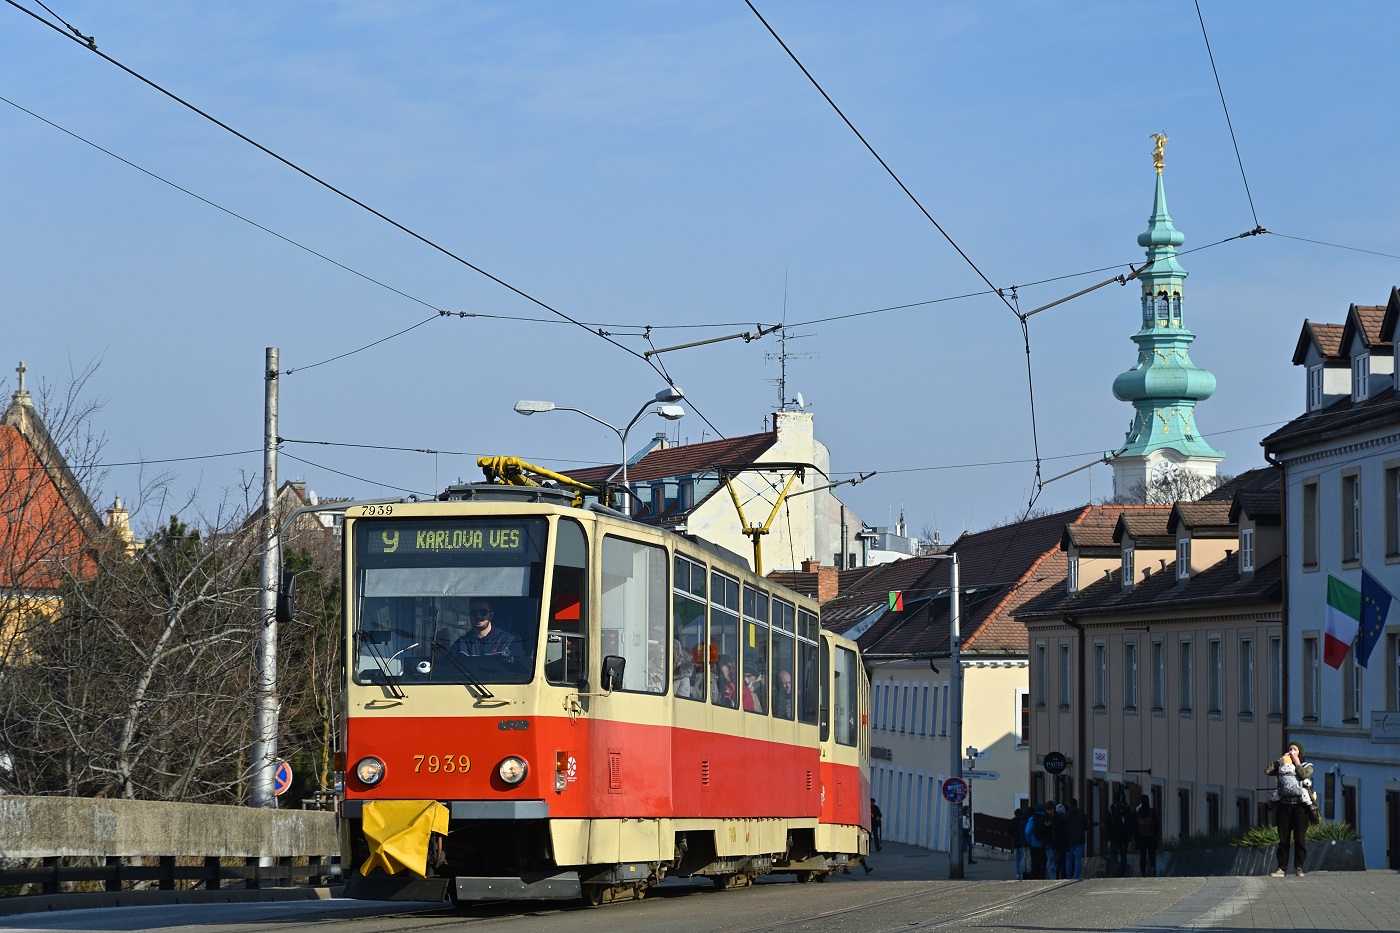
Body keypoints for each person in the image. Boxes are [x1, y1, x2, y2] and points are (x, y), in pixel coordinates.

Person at [1266, 741, 1314, 877]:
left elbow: (1305, 775)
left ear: (1300, 752)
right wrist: (1280, 760)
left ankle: (1299, 867)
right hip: (1284, 807)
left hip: (1300, 808)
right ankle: (1281, 868)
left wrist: (1297, 762)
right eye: (1290, 749)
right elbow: (1268, 771)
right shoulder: (1282, 766)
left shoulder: (1307, 766)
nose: (1292, 752)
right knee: (1283, 839)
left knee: (1300, 839)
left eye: (1295, 749)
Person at [450, 600, 522, 657]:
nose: (478, 616)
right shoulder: (460, 644)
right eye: (474, 612)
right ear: (470, 615)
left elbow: (520, 672)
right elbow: (448, 670)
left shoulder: (509, 642)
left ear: (491, 615)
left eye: (483, 612)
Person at [1107, 789, 1134, 878]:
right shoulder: (1127, 807)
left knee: (1113, 852)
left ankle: (1116, 864)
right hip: (1125, 835)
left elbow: (1108, 822)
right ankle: (1123, 873)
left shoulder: (1112, 807)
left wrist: (1108, 833)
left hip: (1114, 834)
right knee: (1124, 854)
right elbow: (1130, 822)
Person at [1135, 794, 1158, 877]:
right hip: (1151, 836)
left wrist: (1136, 837)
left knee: (1142, 856)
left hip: (1141, 837)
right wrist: (1156, 835)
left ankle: (1143, 873)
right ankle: (1153, 868)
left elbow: (1135, 825)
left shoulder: (1138, 812)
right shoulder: (1152, 811)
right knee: (1152, 854)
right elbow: (1156, 824)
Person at [1064, 798, 1087, 879]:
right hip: (1079, 839)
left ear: (1069, 805)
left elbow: (1063, 828)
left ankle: (1069, 876)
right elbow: (1086, 827)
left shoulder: (1066, 816)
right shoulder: (1082, 815)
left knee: (1068, 859)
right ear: (1077, 804)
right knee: (1078, 859)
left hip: (1069, 840)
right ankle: (1076, 876)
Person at [1024, 803, 1047, 880]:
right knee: (1043, 861)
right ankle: (1042, 876)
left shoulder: (1032, 819)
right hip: (1043, 844)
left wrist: (1029, 841)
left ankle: (1035, 876)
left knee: (1035, 861)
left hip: (1034, 844)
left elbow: (1027, 831)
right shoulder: (1046, 818)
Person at [1047, 803, 1067, 879]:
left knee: (1054, 861)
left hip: (1054, 844)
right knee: (1062, 861)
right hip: (1061, 843)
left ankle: (1055, 876)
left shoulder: (1053, 819)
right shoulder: (1064, 818)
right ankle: (1063, 876)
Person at [1010, 806, 1025, 880]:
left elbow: (1009, 831)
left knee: (1017, 859)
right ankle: (1022, 873)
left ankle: (1017, 873)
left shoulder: (1012, 821)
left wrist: (1013, 835)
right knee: (1022, 858)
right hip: (1022, 841)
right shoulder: (1022, 820)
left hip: (1015, 841)